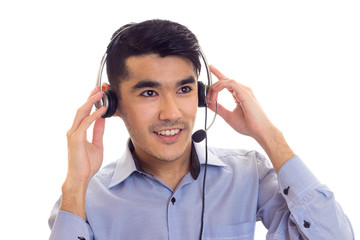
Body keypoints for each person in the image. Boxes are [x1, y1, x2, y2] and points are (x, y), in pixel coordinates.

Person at [48, 19, 354, 240]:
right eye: (149, 93)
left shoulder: (249, 174)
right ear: (110, 101)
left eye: (184, 89)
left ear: (201, 92)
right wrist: (76, 184)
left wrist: (269, 136)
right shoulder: (83, 198)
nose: (171, 113)